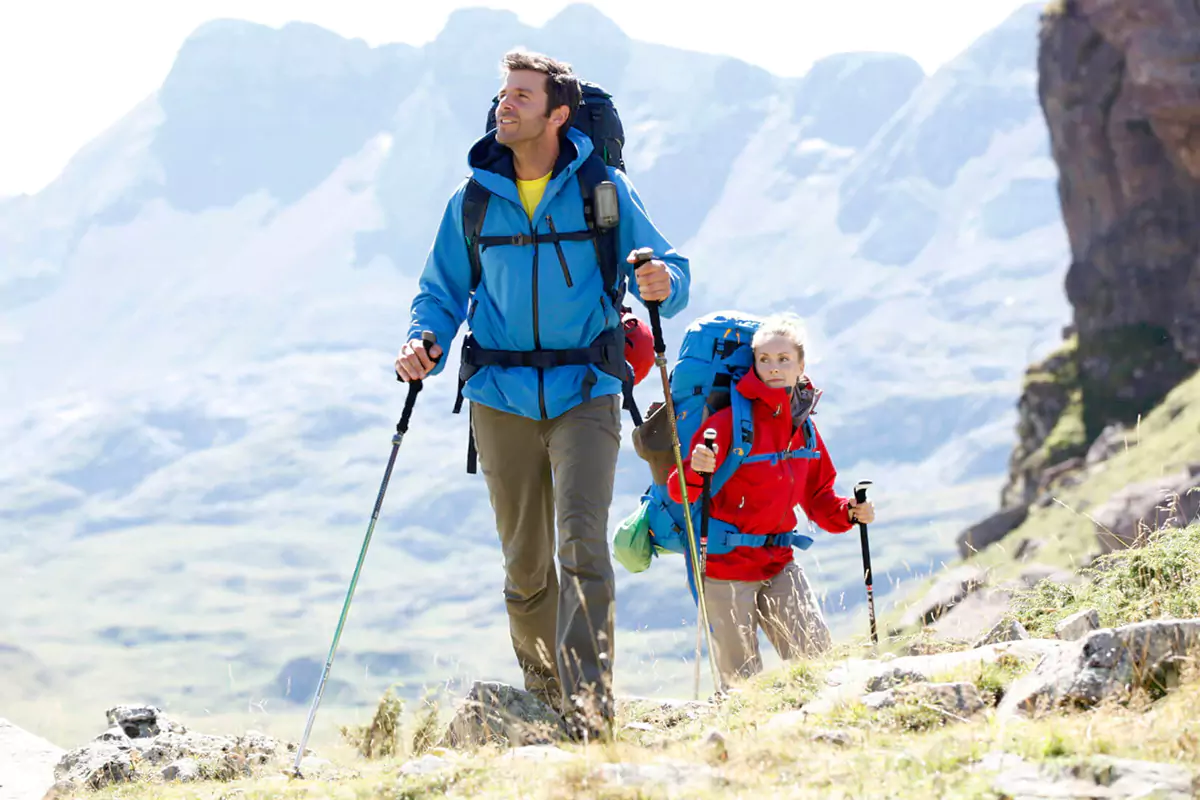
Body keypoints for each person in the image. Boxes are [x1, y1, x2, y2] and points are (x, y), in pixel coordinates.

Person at [394, 50, 690, 739]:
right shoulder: (472, 199)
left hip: (584, 389)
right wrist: (423, 343)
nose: (506, 105)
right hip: (499, 396)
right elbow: (440, 292)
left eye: (521, 96)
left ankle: (592, 711)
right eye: (503, 94)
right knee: (526, 568)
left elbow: (668, 264)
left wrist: (662, 285)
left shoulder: (603, 191)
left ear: (558, 114)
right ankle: (545, 696)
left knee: (581, 546)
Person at [666, 312, 874, 690]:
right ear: (754, 363)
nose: (773, 367)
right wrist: (695, 469)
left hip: (779, 562)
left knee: (819, 668)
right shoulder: (728, 422)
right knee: (742, 689)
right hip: (724, 569)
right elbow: (680, 490)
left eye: (783, 360)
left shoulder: (804, 428)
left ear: (801, 366)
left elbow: (820, 498)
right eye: (764, 359)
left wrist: (849, 512)